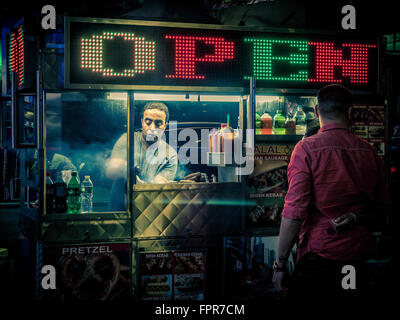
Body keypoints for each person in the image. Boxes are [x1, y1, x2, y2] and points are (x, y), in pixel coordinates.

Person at [272, 84, 390, 305]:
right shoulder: (370, 152)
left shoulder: (306, 149)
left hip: (318, 260)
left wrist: (280, 265)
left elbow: (294, 212)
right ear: (351, 113)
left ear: (317, 111)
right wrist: (356, 217)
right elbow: (382, 212)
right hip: (354, 261)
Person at [106, 102, 178, 211]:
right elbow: (111, 172)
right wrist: (128, 167)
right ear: (142, 122)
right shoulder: (127, 140)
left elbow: (159, 188)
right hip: (120, 213)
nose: (152, 128)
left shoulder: (170, 154)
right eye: (148, 122)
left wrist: (157, 184)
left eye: (158, 123)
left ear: (165, 126)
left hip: (150, 214)